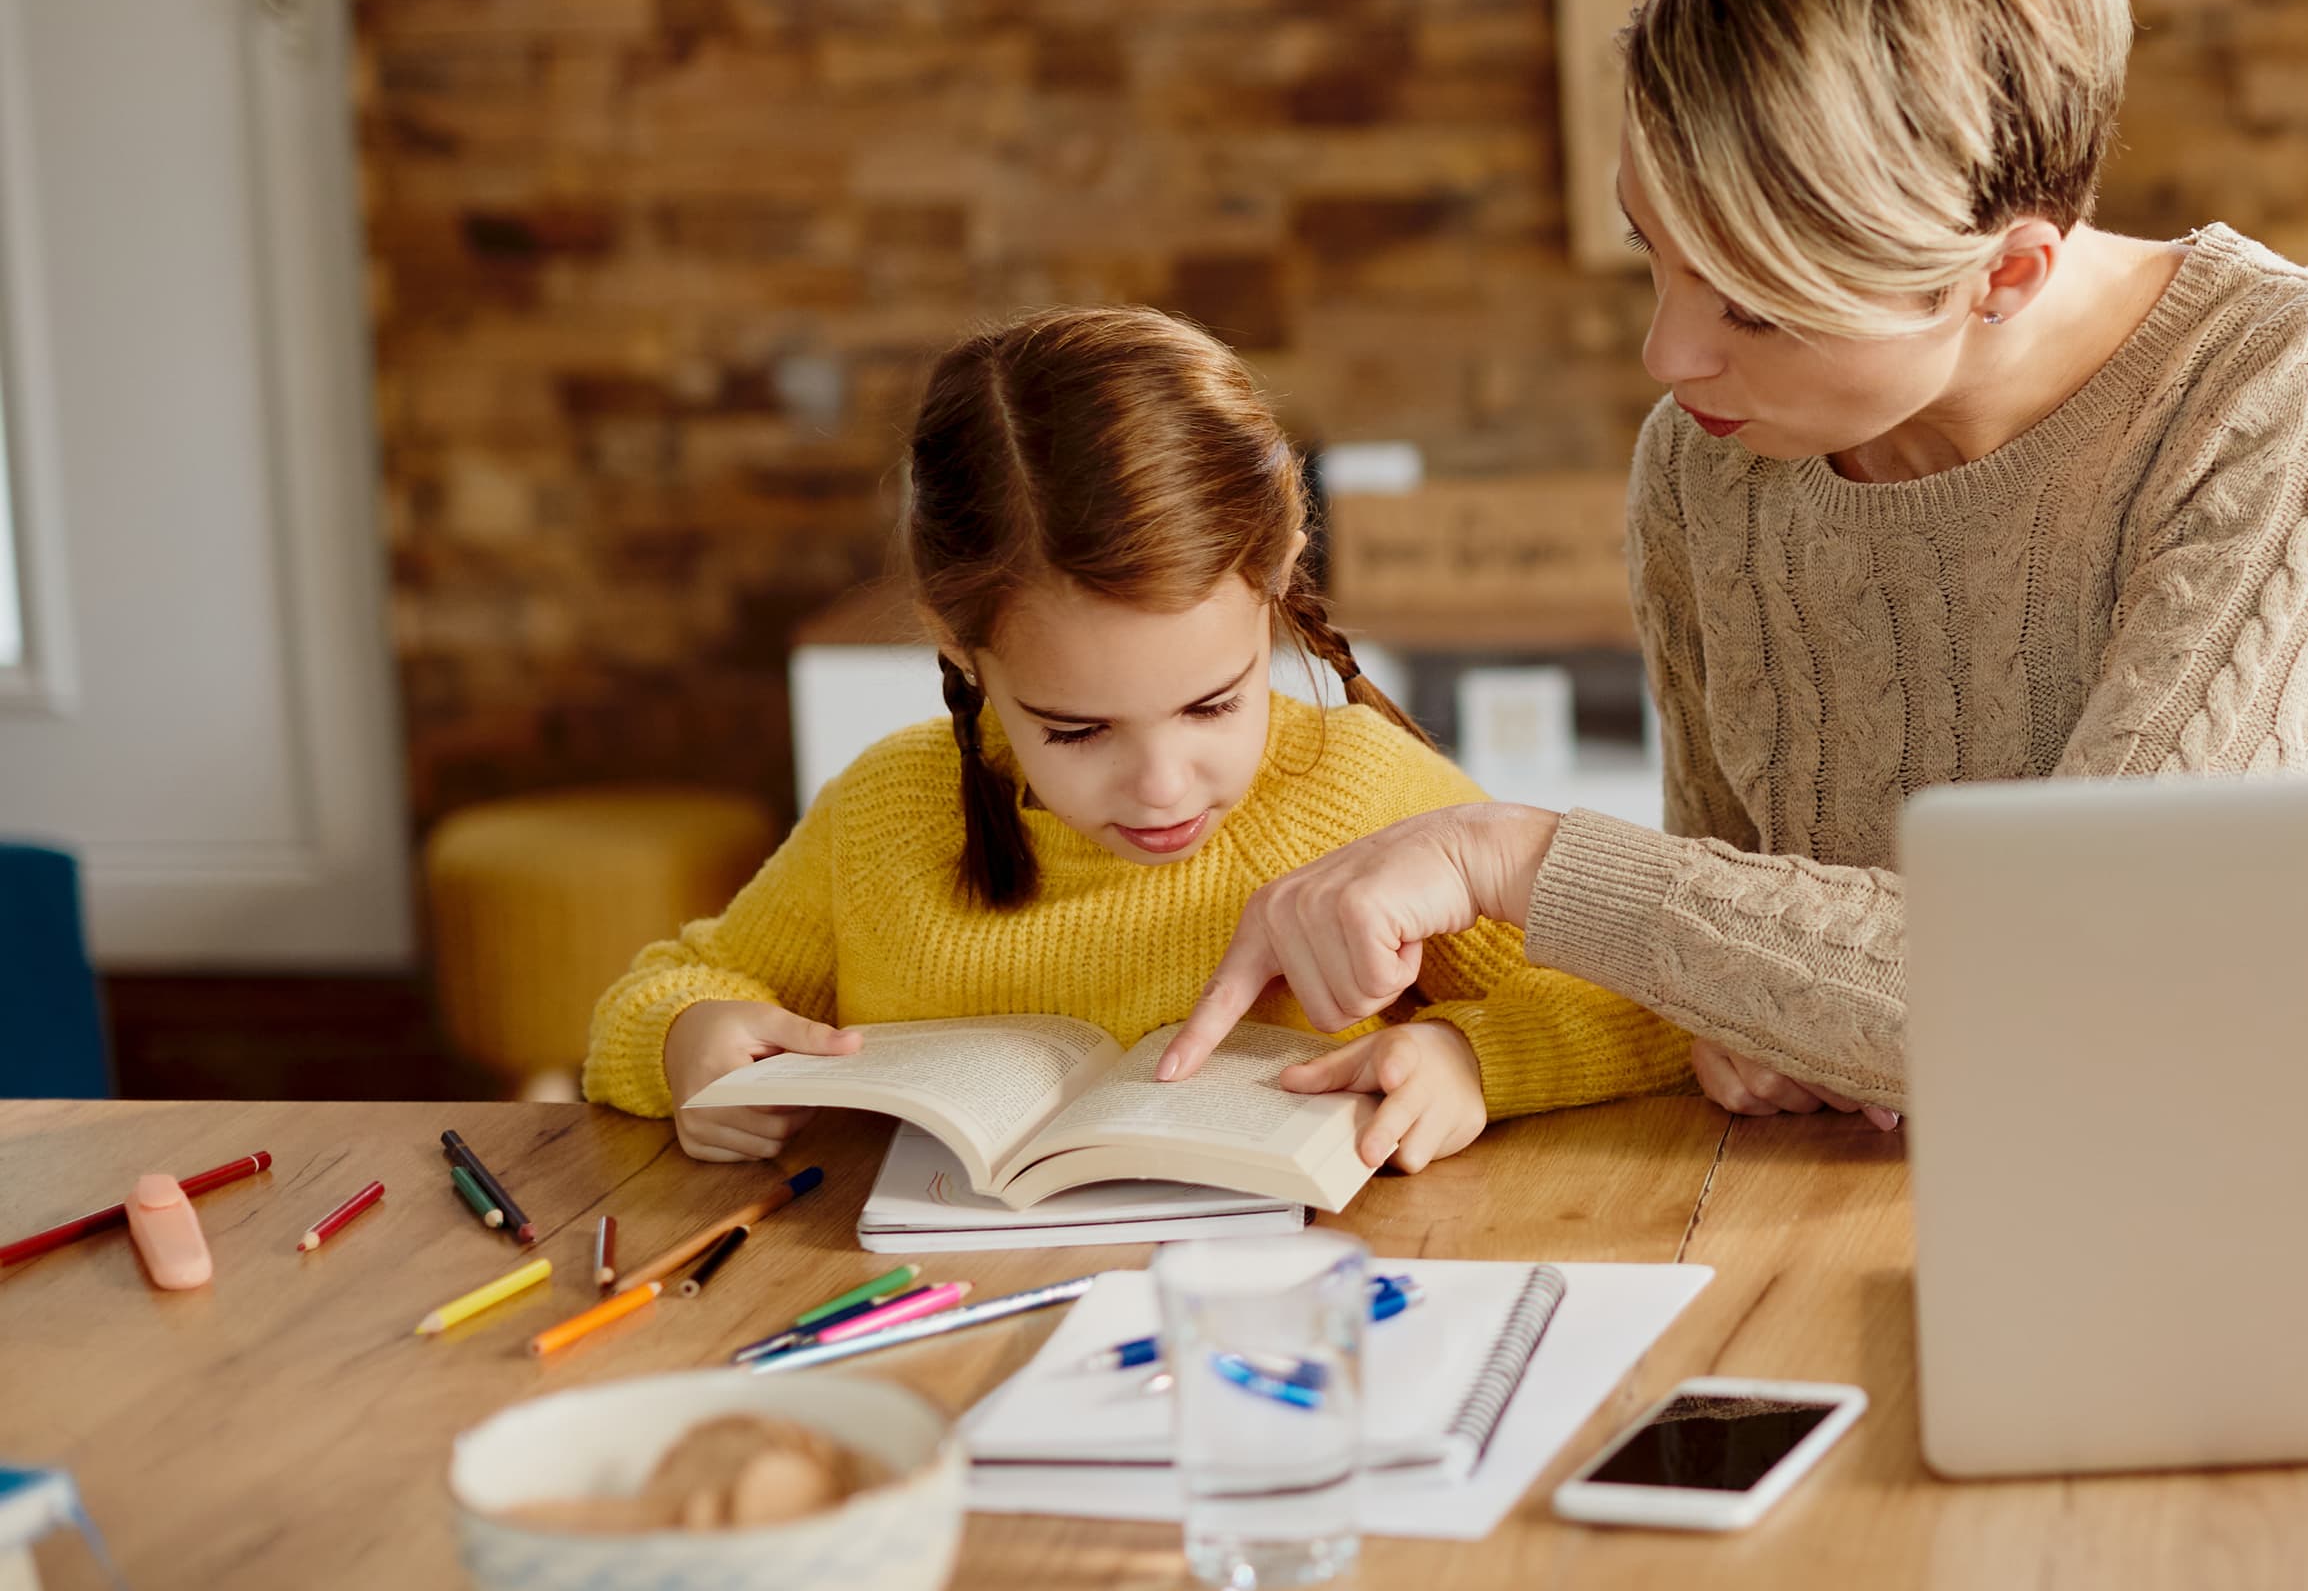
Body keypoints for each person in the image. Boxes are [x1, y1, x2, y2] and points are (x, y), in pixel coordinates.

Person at [1158, 0, 2308, 1122]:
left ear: (2005, 273)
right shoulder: (1711, 463)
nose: (1670, 356)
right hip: (1889, 1204)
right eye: (1651, 250)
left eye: (1760, 305)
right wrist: (1749, 1017)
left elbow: (2105, 986)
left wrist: (1512, 857)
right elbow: (1743, 965)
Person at [581, 307, 1689, 1166]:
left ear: (1279, 577)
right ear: (960, 649)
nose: (1163, 786)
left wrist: (1471, 1058)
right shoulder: (884, 814)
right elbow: (659, 990)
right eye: (1074, 730)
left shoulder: (1359, 795)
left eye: (1214, 705)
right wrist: (687, 1043)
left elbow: (1662, 1004)